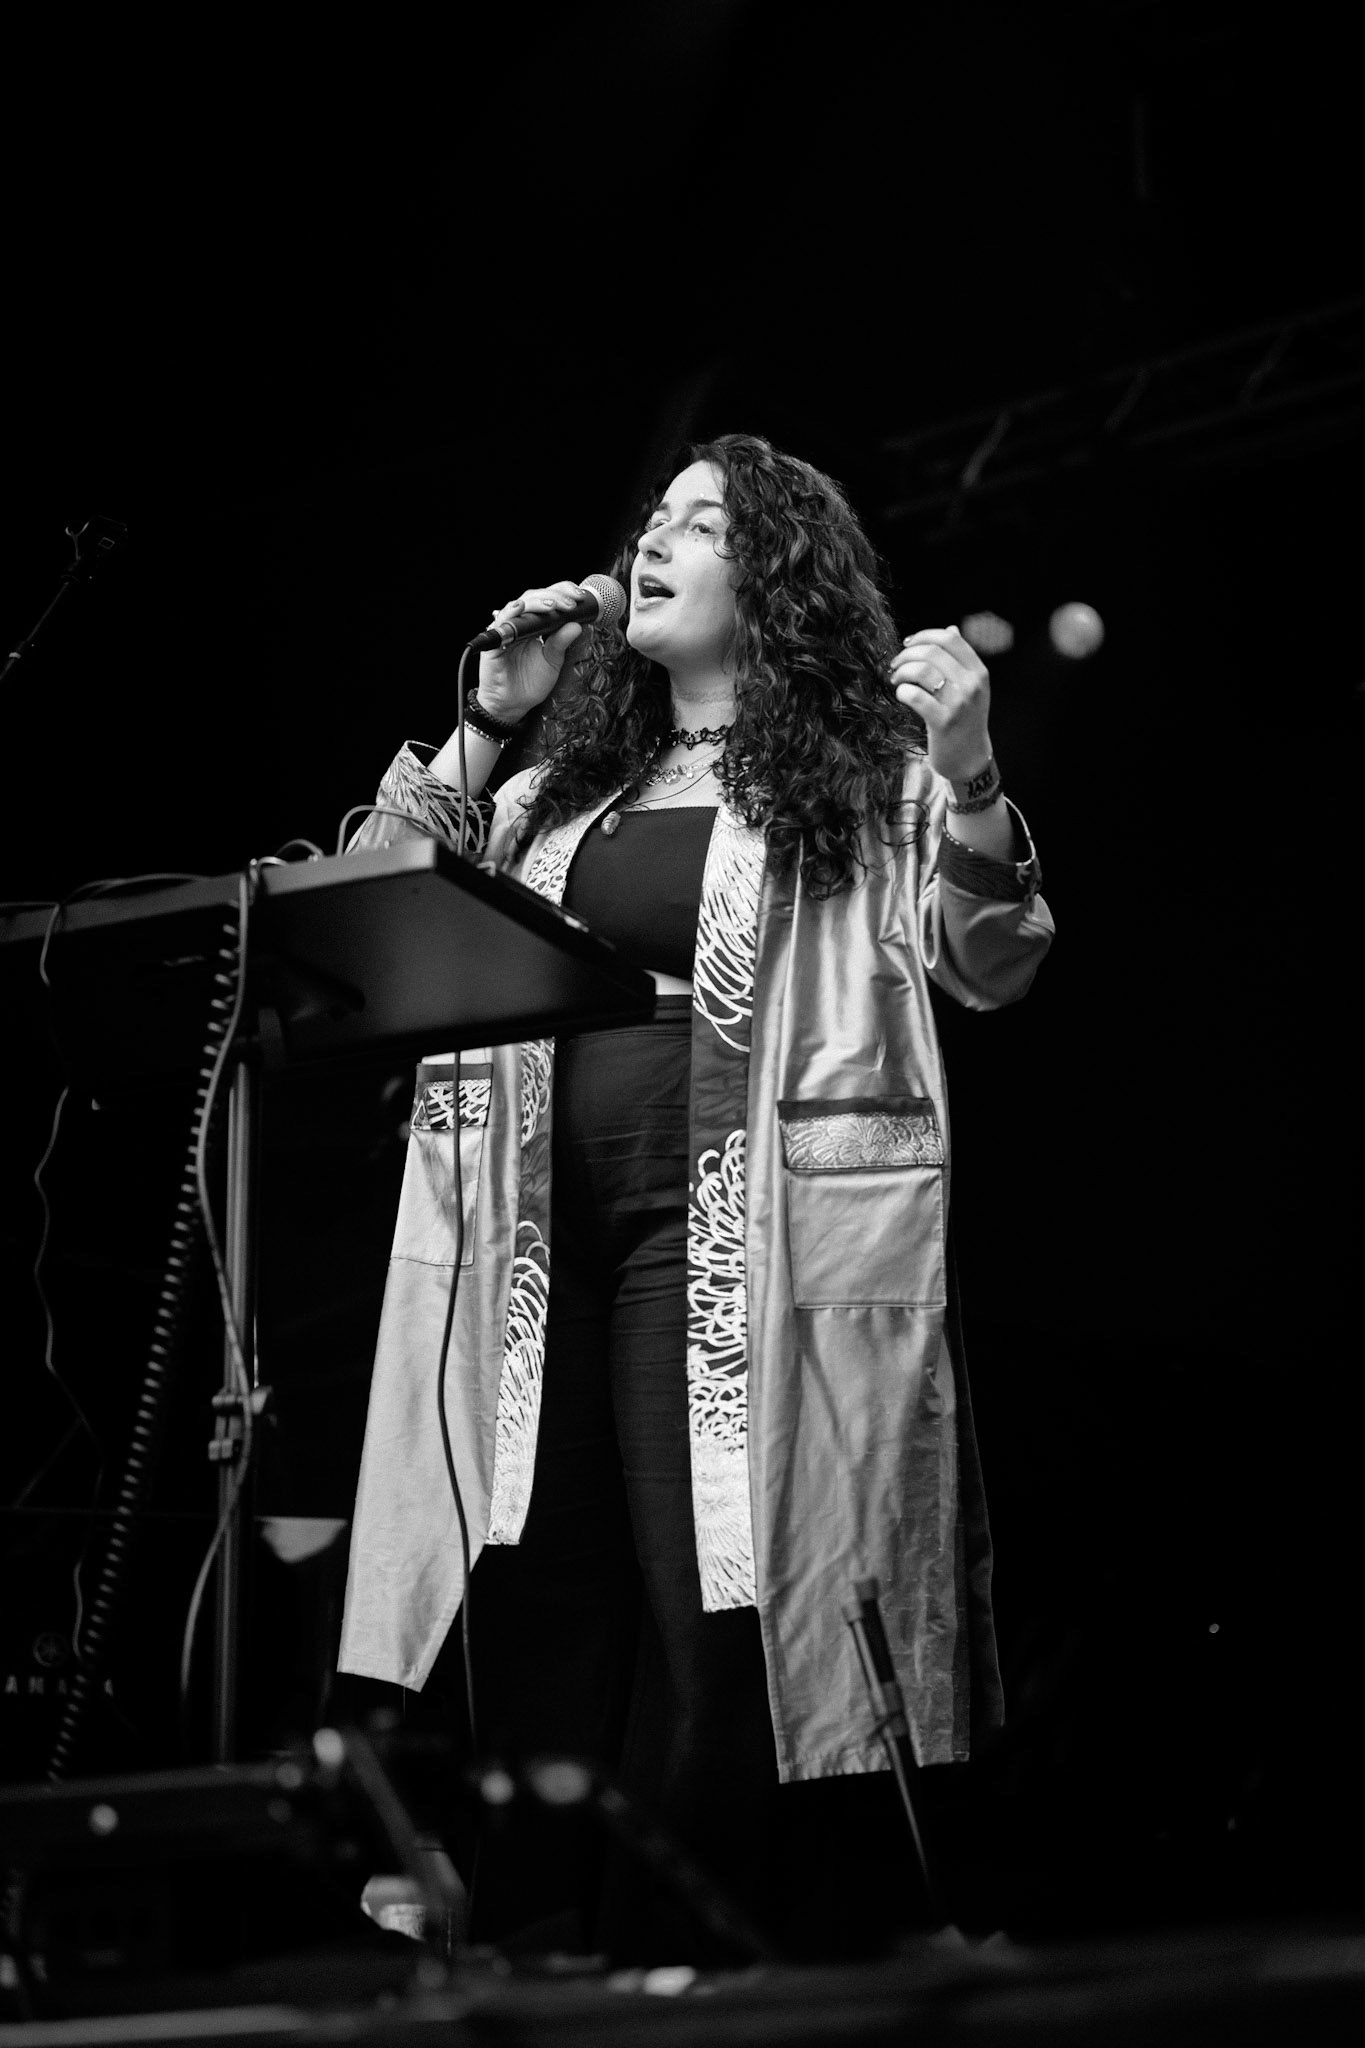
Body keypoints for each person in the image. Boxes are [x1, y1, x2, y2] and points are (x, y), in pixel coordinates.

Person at [337, 432, 1054, 1962]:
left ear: (775, 577)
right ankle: (536, 1938)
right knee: (531, 1579)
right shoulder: (549, 792)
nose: (653, 541)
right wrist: (479, 727)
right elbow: (377, 922)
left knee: (720, 1593)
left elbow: (995, 959)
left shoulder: (859, 775)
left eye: (698, 523)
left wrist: (975, 773)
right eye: (650, 518)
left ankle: (715, 1944)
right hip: (529, 1219)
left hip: (734, 1221)